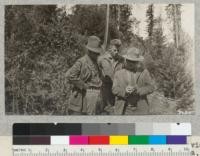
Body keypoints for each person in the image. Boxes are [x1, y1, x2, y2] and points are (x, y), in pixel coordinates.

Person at [112, 47, 154, 115]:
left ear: (138, 61)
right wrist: (124, 91)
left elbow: (151, 87)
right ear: (125, 60)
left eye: (134, 61)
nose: (131, 63)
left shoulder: (144, 72)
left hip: (140, 109)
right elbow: (114, 89)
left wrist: (138, 90)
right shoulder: (118, 73)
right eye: (129, 60)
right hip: (124, 109)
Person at [66, 36, 102, 115]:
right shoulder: (81, 62)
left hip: (93, 96)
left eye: (97, 53)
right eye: (95, 53)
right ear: (89, 51)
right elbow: (70, 76)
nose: (97, 55)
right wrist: (83, 85)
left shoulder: (96, 63)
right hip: (81, 96)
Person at [98, 39, 124, 114]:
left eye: (118, 50)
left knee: (115, 110)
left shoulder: (121, 60)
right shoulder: (102, 59)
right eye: (115, 50)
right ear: (110, 49)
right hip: (105, 88)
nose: (117, 52)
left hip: (117, 88)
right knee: (104, 109)